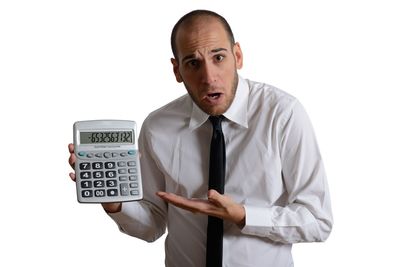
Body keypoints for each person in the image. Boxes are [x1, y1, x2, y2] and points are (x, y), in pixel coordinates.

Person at [68, 9, 333, 267]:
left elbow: (318, 221)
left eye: (218, 57)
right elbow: (152, 226)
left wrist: (243, 216)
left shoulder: (283, 114)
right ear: (177, 71)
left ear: (237, 56)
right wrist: (115, 202)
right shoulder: (157, 127)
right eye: (193, 63)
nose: (208, 77)